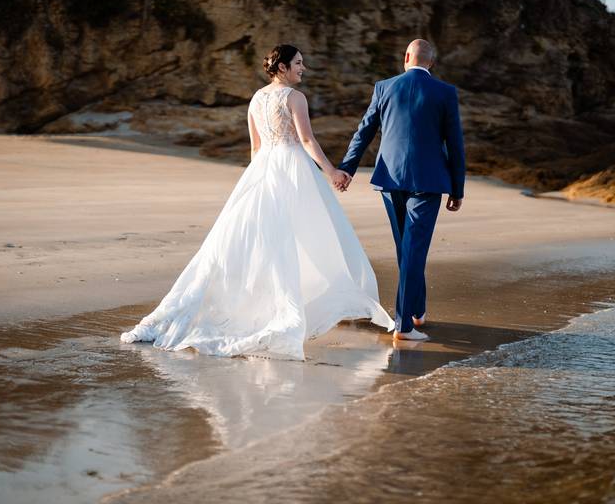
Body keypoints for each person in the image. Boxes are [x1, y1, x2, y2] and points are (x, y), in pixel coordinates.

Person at [120, 44, 394, 360]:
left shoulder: (256, 99)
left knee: (263, 243)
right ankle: (300, 305)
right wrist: (332, 172)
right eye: (298, 63)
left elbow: (255, 149)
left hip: (262, 171)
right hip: (292, 170)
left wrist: (257, 180)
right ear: (282, 67)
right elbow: (306, 141)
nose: (303, 69)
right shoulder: (295, 98)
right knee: (309, 237)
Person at [336, 39, 465, 342]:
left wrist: (347, 169)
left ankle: (417, 310)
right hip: (429, 181)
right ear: (431, 63)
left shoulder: (384, 87)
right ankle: (404, 324)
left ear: (406, 57)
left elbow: (364, 130)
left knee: (406, 249)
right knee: (413, 250)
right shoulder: (446, 92)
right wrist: (457, 189)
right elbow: (455, 144)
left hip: (390, 179)